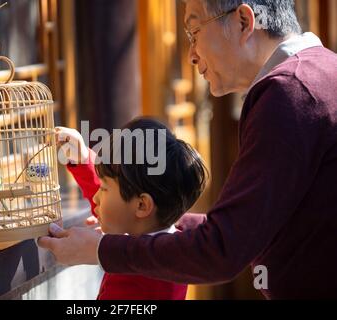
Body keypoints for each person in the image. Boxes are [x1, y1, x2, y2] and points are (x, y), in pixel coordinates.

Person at [39, 0, 337, 299]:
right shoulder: (319, 70)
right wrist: (145, 218)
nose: (191, 55)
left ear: (244, 22)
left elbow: (222, 249)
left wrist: (102, 250)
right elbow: (246, 226)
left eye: (194, 32)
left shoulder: (290, 93)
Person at [55, 118, 207, 300]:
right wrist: (82, 160)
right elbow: (119, 203)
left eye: (103, 188)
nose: (96, 197)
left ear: (142, 206)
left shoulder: (141, 280)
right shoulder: (161, 243)